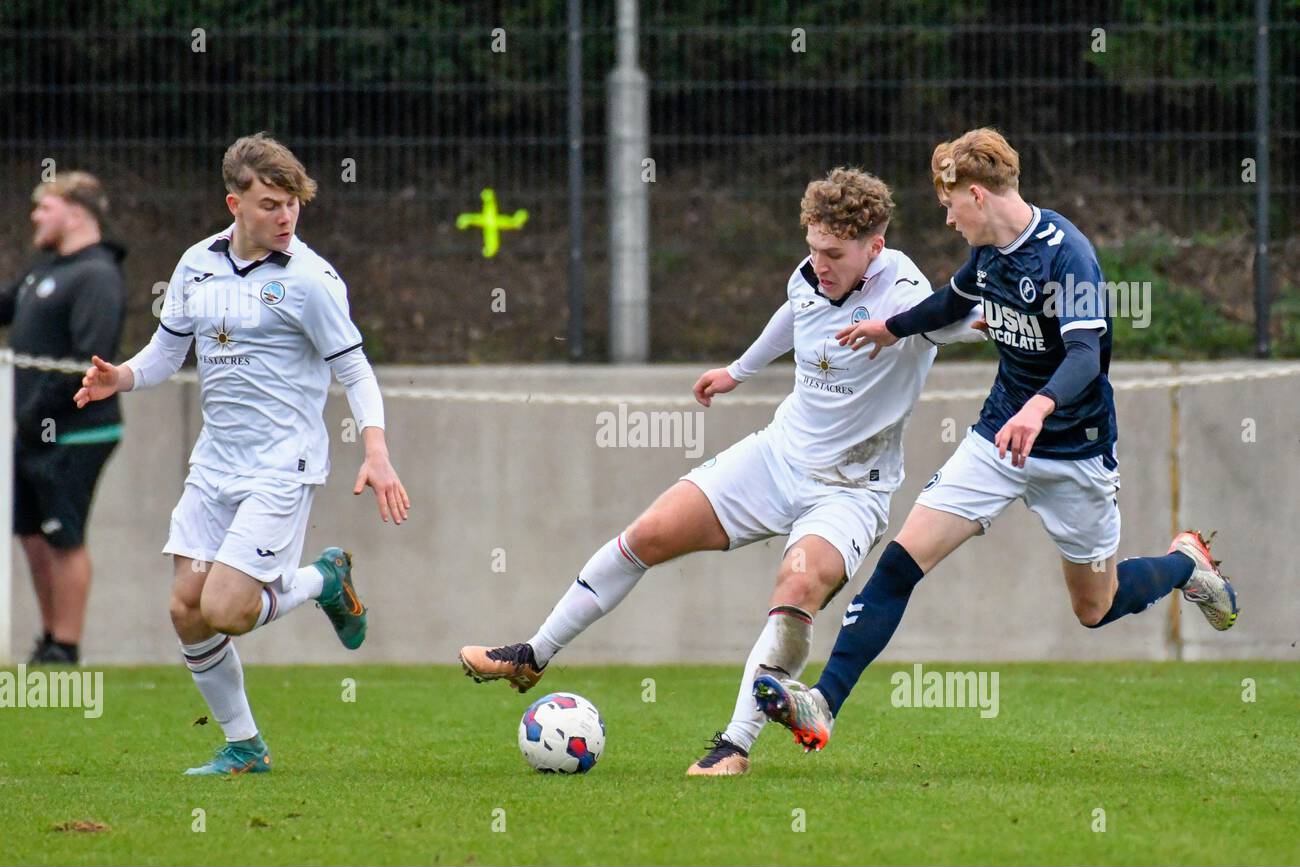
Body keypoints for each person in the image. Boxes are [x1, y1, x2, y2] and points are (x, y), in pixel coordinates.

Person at [460, 168, 984, 775]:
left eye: (834, 254)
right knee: (646, 536)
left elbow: (962, 320)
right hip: (775, 456)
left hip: (849, 489)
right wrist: (739, 370)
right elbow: (794, 313)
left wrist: (1012, 325)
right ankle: (532, 653)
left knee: (796, 589)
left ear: (876, 245)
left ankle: (733, 747)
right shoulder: (809, 276)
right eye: (812, 249)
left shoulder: (907, 293)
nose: (819, 264)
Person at [755, 129, 1238, 753]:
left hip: (1076, 451)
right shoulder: (988, 255)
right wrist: (890, 328)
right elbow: (949, 304)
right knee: (902, 561)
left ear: (976, 195)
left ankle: (1184, 565)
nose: (947, 217)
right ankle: (823, 703)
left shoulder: (1071, 256)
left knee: (1095, 607)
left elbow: (1087, 354)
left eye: (949, 203)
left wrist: (1040, 407)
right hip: (996, 440)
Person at [74, 133, 410, 775]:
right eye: (270, 205)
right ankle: (246, 747)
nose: (285, 218)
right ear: (235, 203)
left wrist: (376, 448)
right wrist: (121, 376)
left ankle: (322, 581)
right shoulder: (195, 263)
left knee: (225, 608)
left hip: (282, 465)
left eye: (293, 205)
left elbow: (356, 371)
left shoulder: (311, 281)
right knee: (185, 609)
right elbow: (167, 355)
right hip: (215, 465)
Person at [1, 172, 126, 665]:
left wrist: (38, 412)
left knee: (63, 534)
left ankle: (66, 647)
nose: (35, 216)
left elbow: (87, 356)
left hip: (78, 431)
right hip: (31, 432)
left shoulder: (97, 275)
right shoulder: (43, 271)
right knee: (33, 536)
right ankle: (50, 637)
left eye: (44, 206)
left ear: (76, 212)